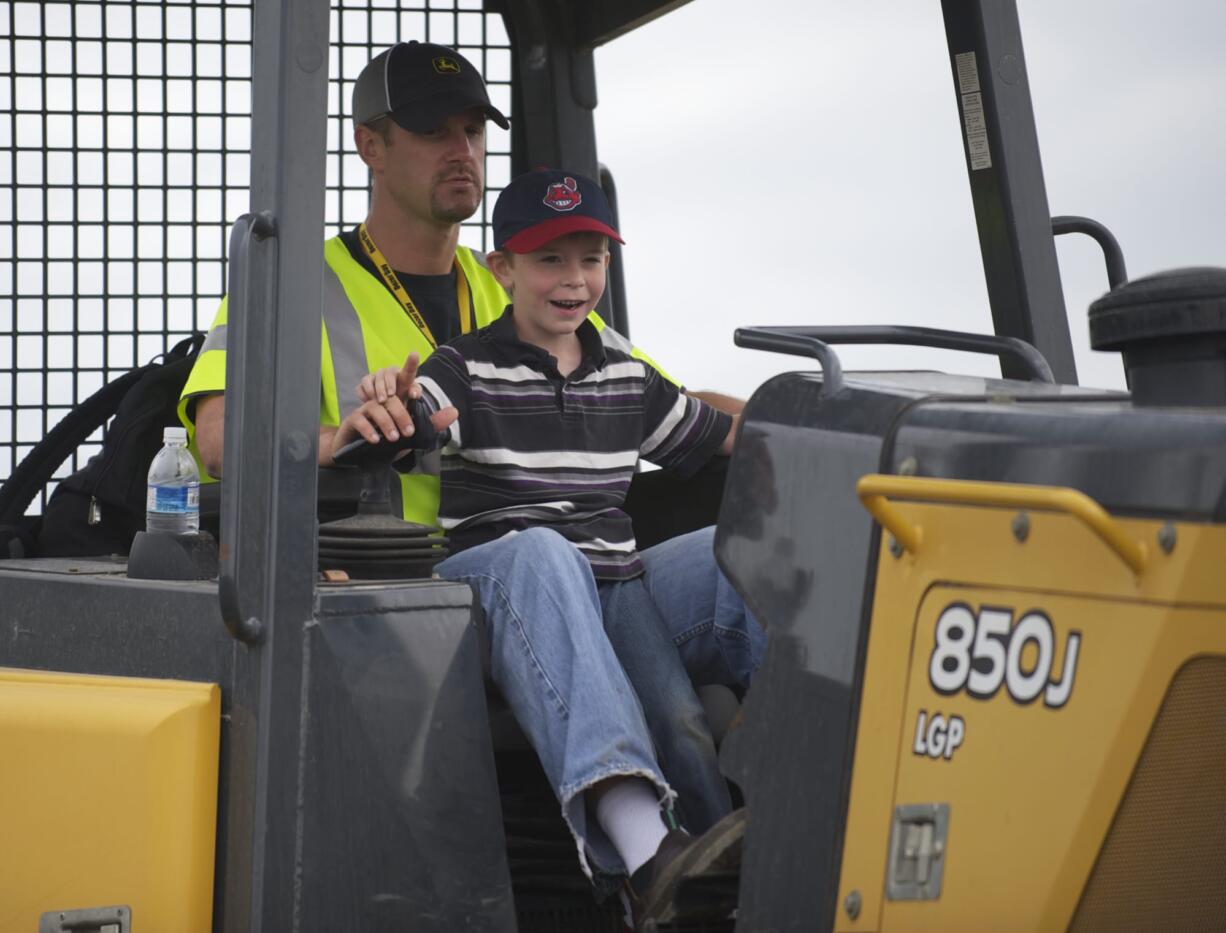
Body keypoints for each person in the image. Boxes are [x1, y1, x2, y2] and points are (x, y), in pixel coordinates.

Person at [356, 168, 766, 926]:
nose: (573, 279)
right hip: (498, 592)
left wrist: (830, 422)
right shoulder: (465, 366)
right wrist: (394, 402)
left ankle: (771, 838)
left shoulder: (625, 378)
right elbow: (422, 409)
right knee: (544, 550)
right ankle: (646, 855)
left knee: (726, 568)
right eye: (549, 260)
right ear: (502, 268)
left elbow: (719, 434)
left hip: (611, 585)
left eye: (591, 258)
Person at [177, 39, 730, 526]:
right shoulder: (290, 284)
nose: (463, 152)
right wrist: (340, 441)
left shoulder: (515, 282)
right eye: (433, 131)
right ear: (371, 147)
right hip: (374, 585)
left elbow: (654, 396)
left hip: (524, 563)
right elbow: (220, 440)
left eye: (471, 131)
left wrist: (801, 415)